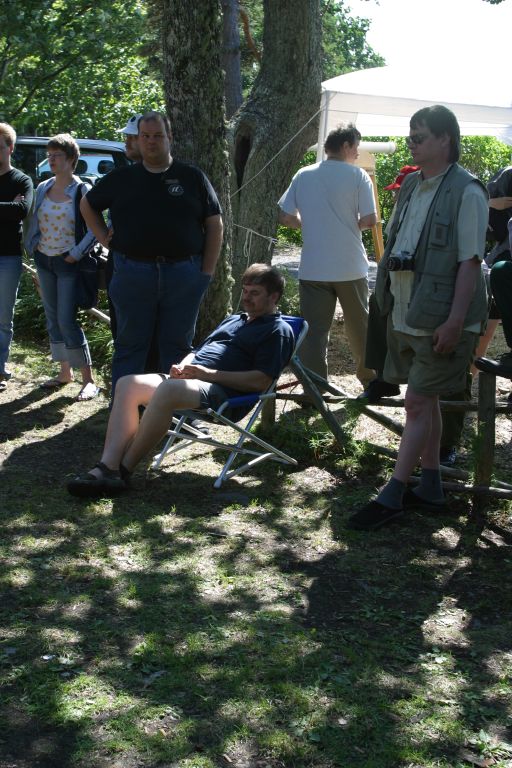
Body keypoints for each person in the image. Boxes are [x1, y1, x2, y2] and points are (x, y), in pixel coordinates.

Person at [348, 105, 488, 531]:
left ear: (446, 139)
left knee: (416, 403)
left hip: (442, 318)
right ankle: (430, 486)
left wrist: (455, 321)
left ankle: (392, 493)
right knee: (425, 401)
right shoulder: (410, 184)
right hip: (407, 312)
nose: (411, 143)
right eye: (410, 136)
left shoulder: (468, 191)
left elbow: (470, 262)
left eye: (419, 137)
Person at [67, 264, 295, 498]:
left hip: (225, 394)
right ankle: (107, 465)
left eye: (254, 293)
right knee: (127, 384)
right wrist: (183, 365)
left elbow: (260, 381)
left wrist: (206, 374)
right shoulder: (235, 319)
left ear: (274, 297)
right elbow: (198, 351)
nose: (246, 298)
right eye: (245, 291)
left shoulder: (277, 331)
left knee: (168, 390)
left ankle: (123, 471)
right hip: (192, 380)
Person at [80, 110, 223, 398]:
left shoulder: (192, 177)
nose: (151, 141)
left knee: (177, 350)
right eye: (145, 136)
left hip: (184, 274)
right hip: (132, 273)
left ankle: (171, 412)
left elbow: (214, 224)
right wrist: (103, 237)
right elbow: (87, 204)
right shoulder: (122, 178)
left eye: (158, 135)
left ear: (170, 137)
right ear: (138, 139)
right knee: (130, 346)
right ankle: (125, 410)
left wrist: (205, 272)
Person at [278, 123, 376, 388]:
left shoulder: (303, 174)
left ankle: (314, 388)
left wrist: (307, 223)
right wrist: (350, 225)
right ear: (345, 146)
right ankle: (370, 382)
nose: (357, 152)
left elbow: (285, 216)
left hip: (313, 267)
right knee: (360, 327)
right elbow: (370, 219)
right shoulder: (358, 176)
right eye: (356, 147)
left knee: (313, 332)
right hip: (349, 266)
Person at [25, 133, 100, 400]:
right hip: (44, 259)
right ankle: (64, 372)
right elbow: (32, 218)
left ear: (71, 159)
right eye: (50, 155)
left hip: (68, 262)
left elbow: (95, 229)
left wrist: (76, 254)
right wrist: (33, 244)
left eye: (56, 155)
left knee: (67, 319)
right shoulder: (43, 187)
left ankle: (88, 380)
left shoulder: (82, 190)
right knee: (53, 316)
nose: (51, 160)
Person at [0, 122, 34, 392]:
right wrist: (8, 206)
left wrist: (15, 206)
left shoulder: (22, 180)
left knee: (3, 317)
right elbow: (12, 209)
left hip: (8, 258)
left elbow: (22, 210)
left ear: (10, 148)